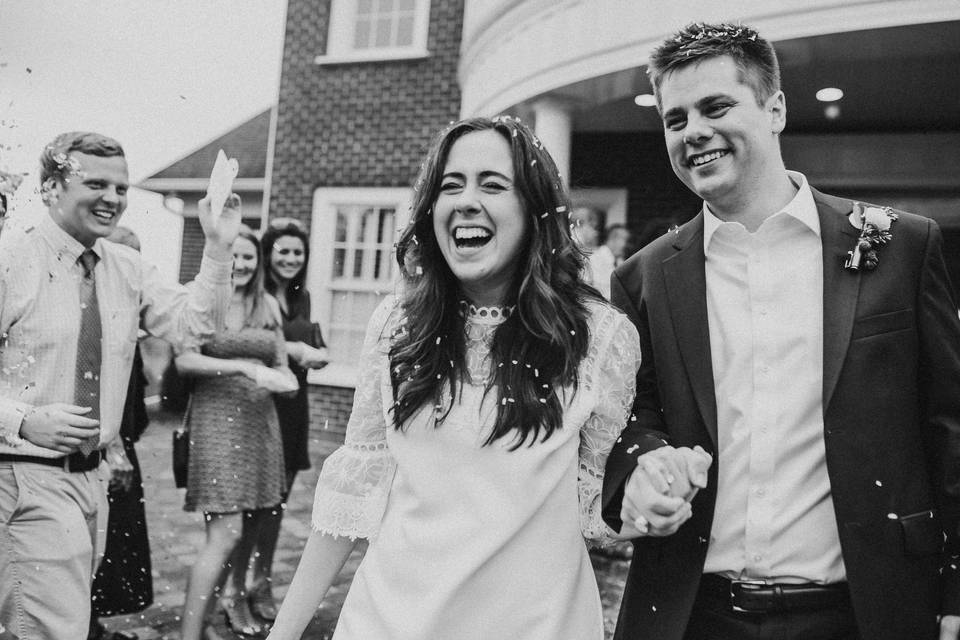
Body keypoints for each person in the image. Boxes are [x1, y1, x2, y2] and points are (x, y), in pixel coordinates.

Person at [601, 23, 960, 640]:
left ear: (775, 109)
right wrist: (643, 473)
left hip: (865, 613)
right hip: (695, 615)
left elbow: (950, 424)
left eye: (716, 107)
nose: (695, 132)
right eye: (676, 118)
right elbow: (630, 420)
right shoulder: (642, 278)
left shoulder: (900, 246)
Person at [267, 115, 642, 640]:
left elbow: (605, 504)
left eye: (492, 184)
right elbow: (357, 492)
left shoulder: (599, 339)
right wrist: (283, 634)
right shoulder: (398, 325)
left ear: (535, 211)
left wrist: (655, 491)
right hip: (389, 621)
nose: (466, 200)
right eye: (450, 185)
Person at [0, 131, 240, 640]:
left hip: (95, 482)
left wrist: (218, 248)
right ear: (50, 188)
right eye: (96, 183)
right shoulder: (10, 261)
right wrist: (23, 420)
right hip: (23, 477)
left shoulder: (126, 268)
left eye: (121, 187)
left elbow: (196, 327)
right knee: (51, 628)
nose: (112, 198)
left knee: (58, 621)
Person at [176, 225, 297, 640]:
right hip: (217, 426)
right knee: (225, 533)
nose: (242, 264)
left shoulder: (267, 304)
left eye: (249, 257)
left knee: (242, 529)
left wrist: (283, 378)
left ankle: (207, 619)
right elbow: (184, 362)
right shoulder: (206, 302)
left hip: (261, 425)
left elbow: (280, 361)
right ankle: (188, 634)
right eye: (235, 256)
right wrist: (242, 367)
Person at [245, 217, 328, 622]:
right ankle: (233, 587)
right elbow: (248, 346)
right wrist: (293, 349)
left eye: (299, 252)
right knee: (251, 502)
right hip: (260, 404)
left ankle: (260, 582)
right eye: (284, 250)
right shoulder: (252, 293)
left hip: (295, 405)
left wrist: (317, 349)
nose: (292, 258)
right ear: (267, 253)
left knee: (277, 502)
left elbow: (308, 343)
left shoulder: (303, 298)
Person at [88, 227, 154, 640]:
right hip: (102, 449)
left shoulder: (126, 314)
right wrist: (115, 450)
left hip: (122, 443)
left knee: (114, 541)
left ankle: (92, 624)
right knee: (99, 540)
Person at [588, 223, 631, 299]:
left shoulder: (620, 261)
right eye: (625, 240)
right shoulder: (594, 259)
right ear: (613, 239)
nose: (627, 245)